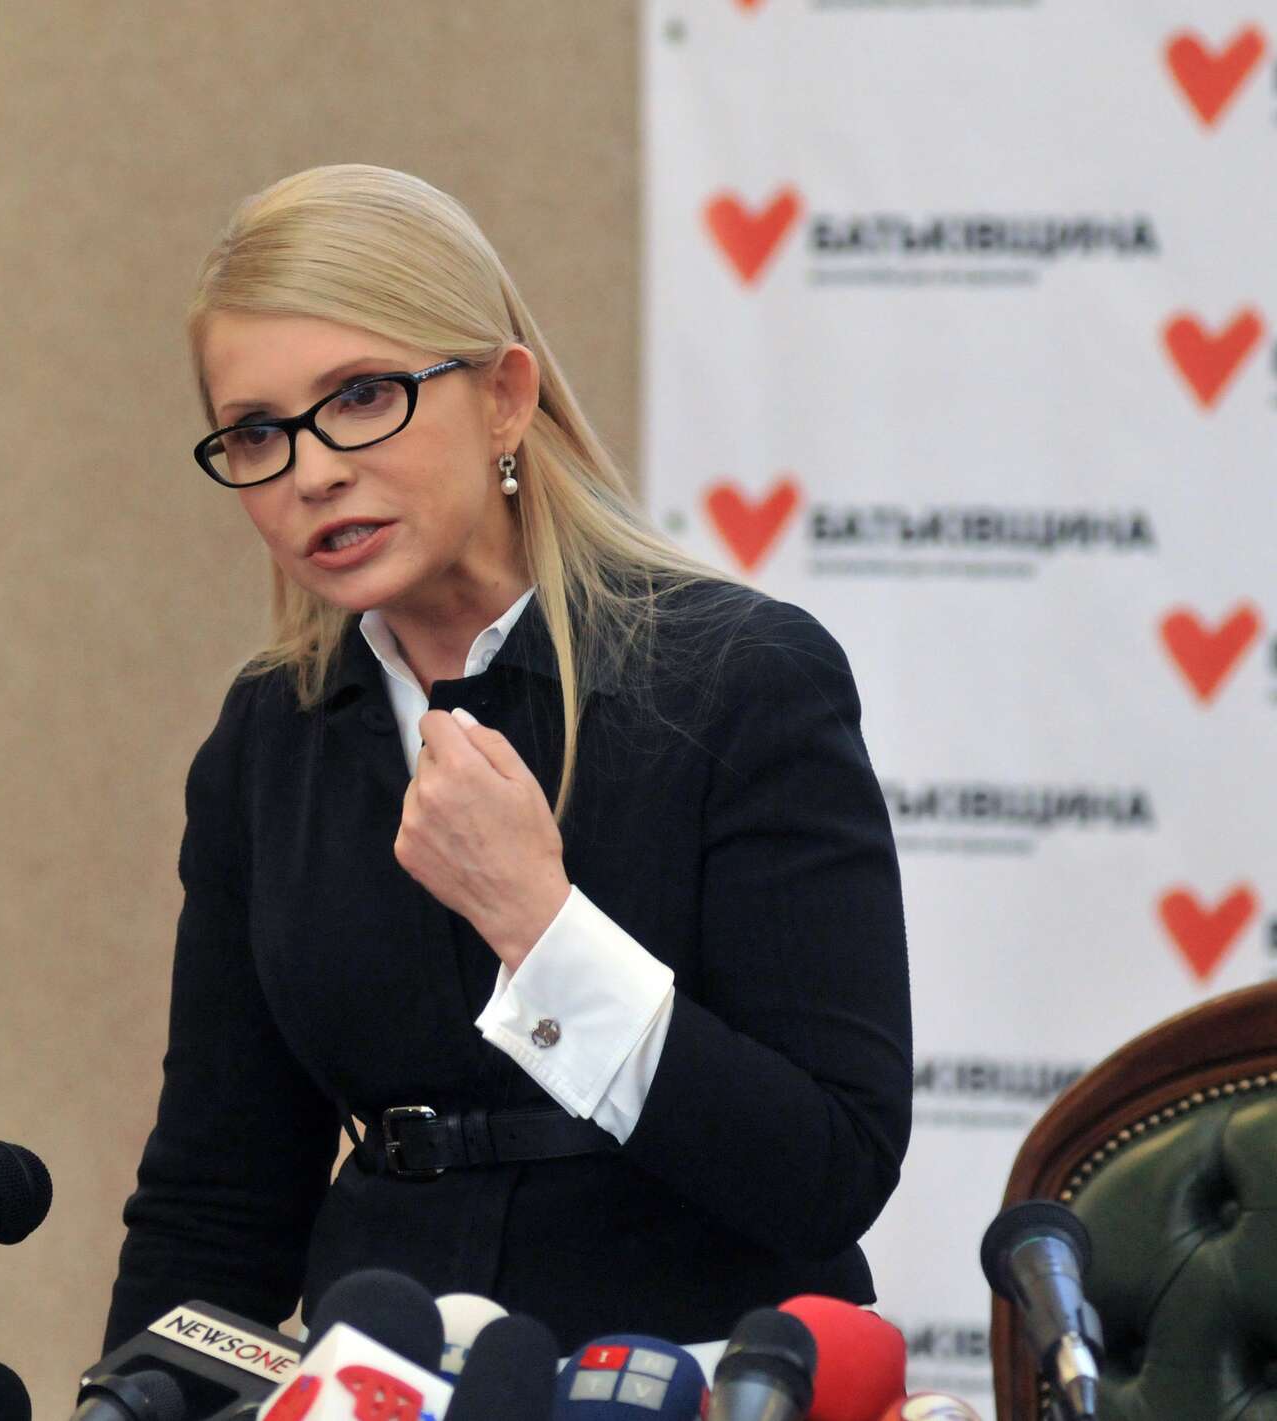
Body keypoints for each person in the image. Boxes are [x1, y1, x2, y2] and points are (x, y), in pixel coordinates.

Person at [102, 164, 911, 1353]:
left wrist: (539, 924)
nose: (312, 470)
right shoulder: (269, 737)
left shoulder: (740, 679)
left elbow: (826, 1169)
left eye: (361, 396)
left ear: (502, 398)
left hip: (693, 1376)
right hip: (381, 1376)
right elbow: (216, 1198)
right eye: (258, 431)